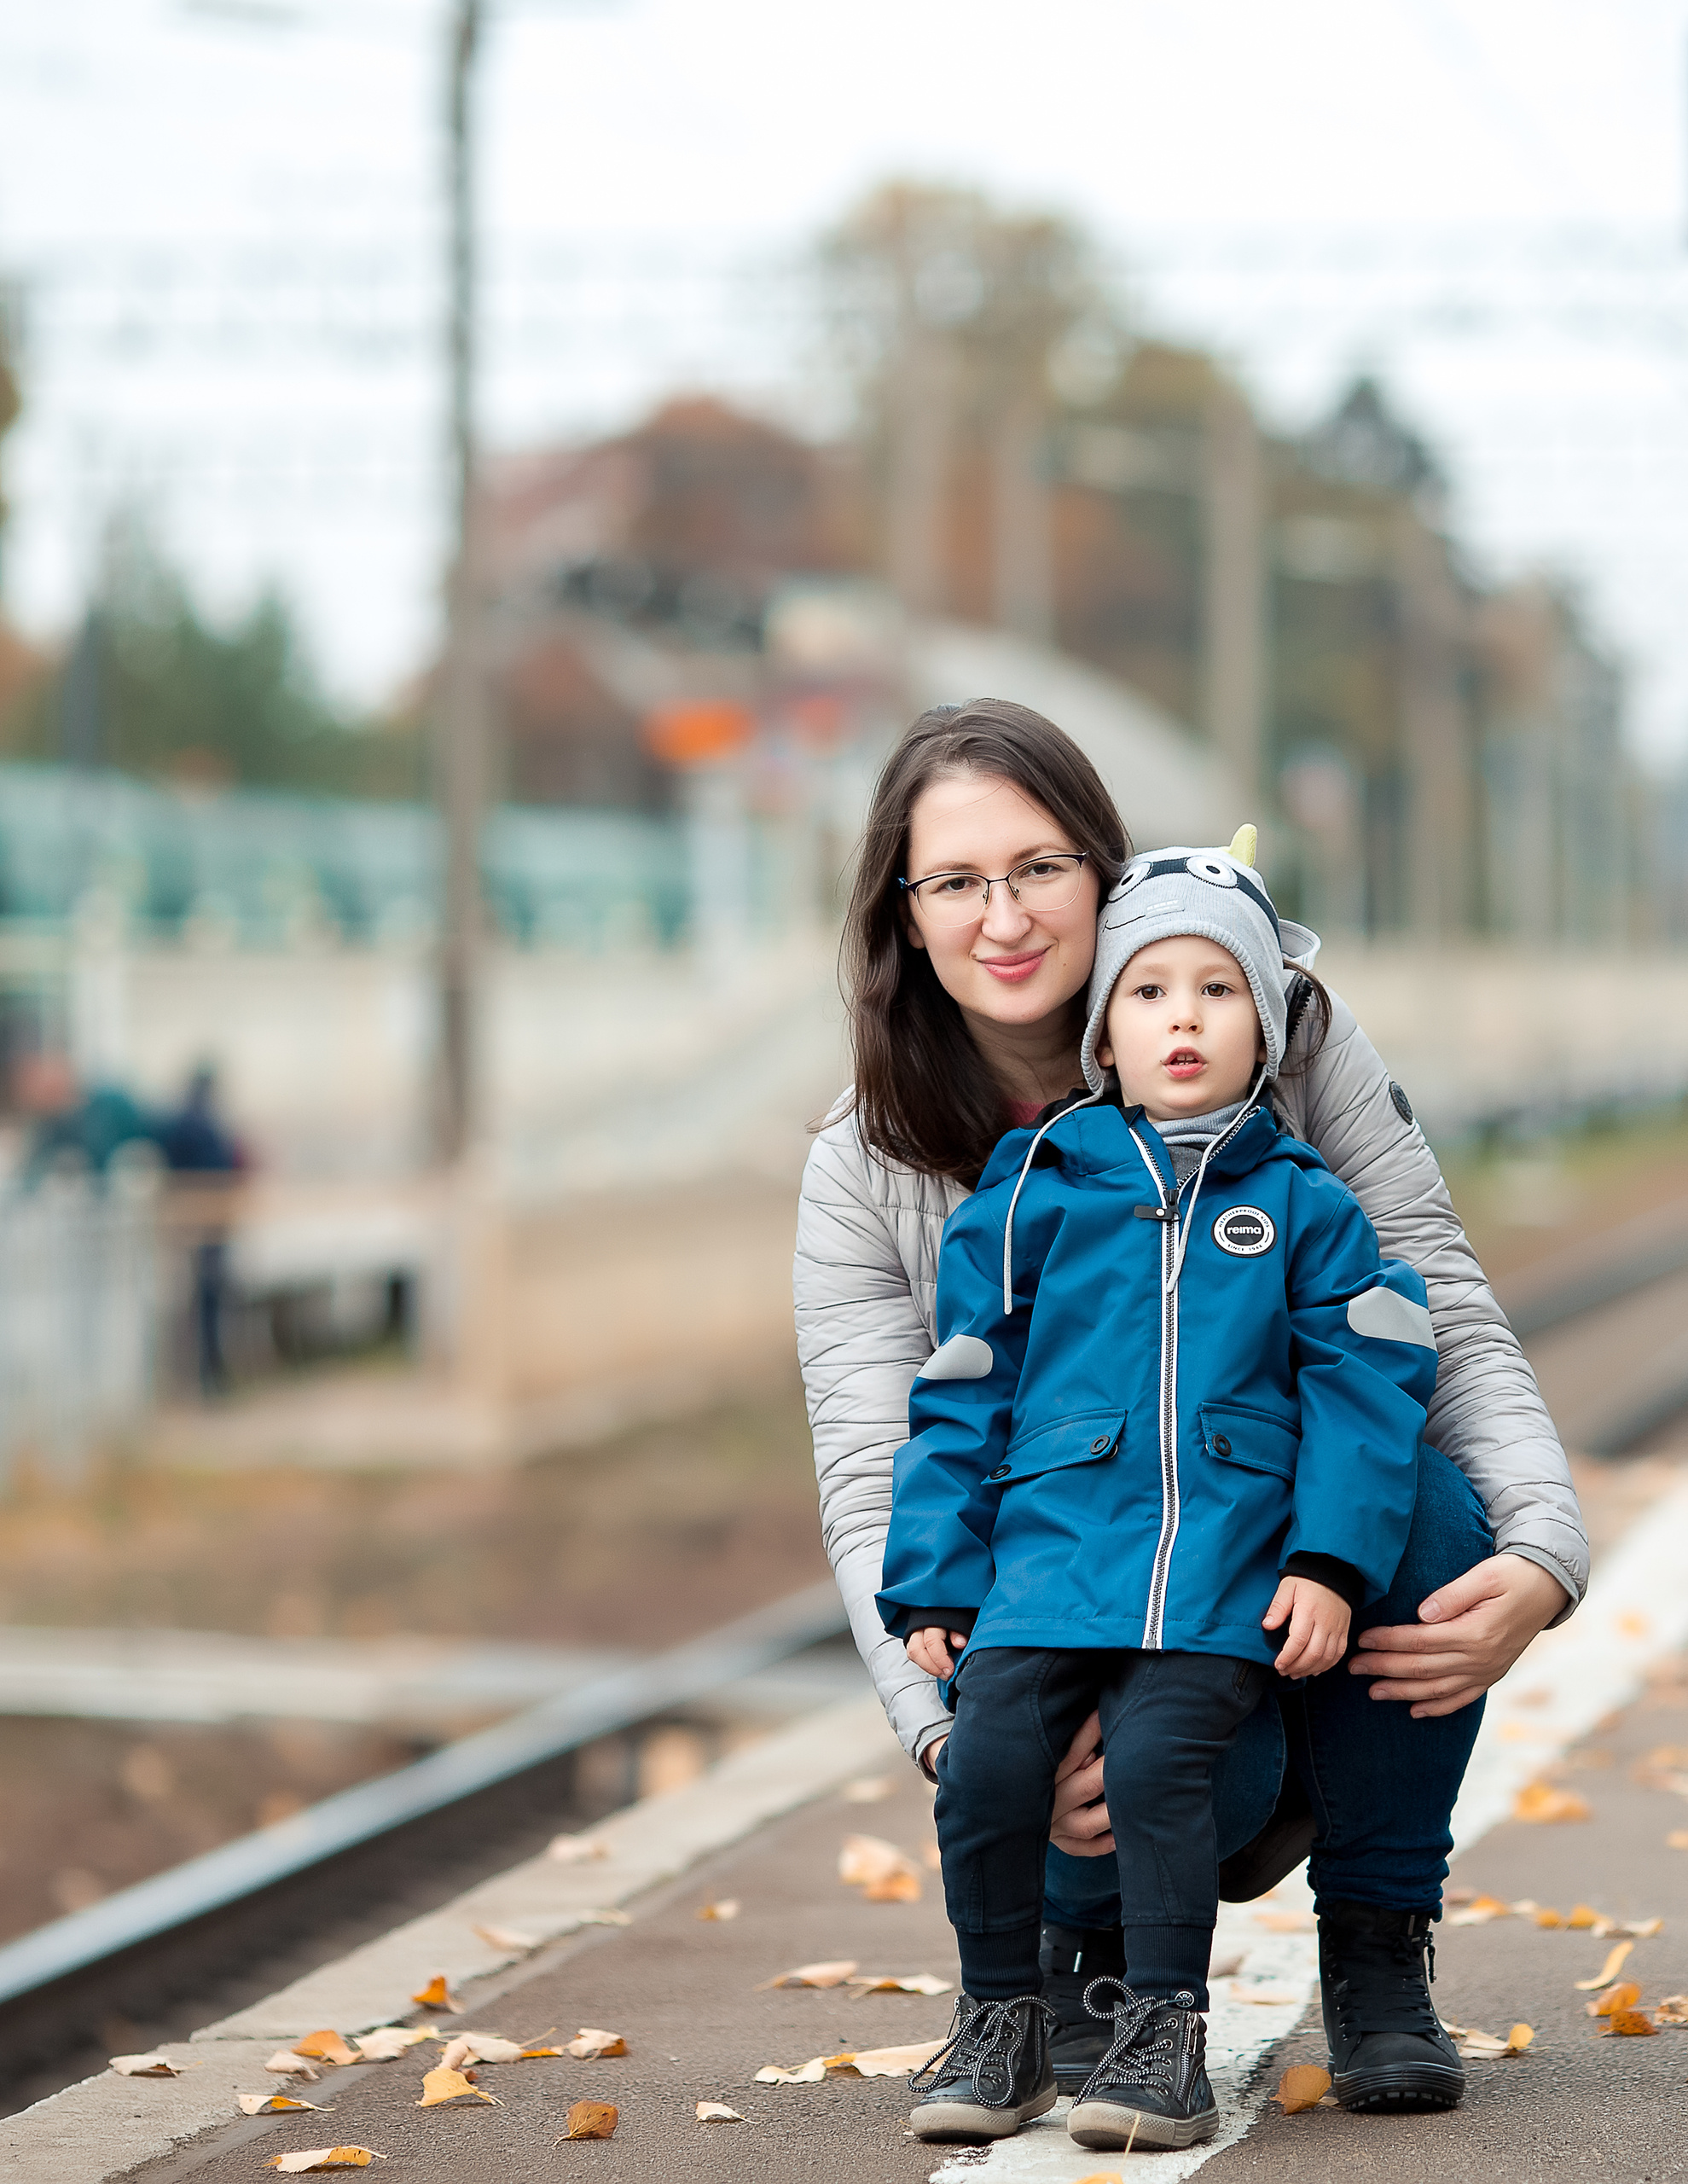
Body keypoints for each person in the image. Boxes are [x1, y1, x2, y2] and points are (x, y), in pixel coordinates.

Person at [794, 698, 1587, 2114]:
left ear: (1106, 878)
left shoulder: (1289, 1042)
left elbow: (1431, 1309)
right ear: (905, 917)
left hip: (1262, 1547)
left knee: (1423, 1506)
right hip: (1068, 1574)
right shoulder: (869, 1165)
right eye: (957, 882)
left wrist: (1541, 1557)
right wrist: (950, 1727)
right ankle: (1071, 1964)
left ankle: (1379, 1946)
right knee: (1033, 1746)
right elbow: (877, 1465)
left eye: (1039, 868)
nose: (1005, 915)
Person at [880, 830, 1440, 2148]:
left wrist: (1331, 1562)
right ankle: (1001, 2020)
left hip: (1220, 1568)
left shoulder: (1305, 1205)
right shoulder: (1036, 1194)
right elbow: (963, 1387)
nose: (1181, 1018)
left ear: (1265, 1027)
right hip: (1049, 1559)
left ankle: (1159, 2035)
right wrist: (935, 1574)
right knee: (993, 1770)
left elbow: (1368, 1389)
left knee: (1157, 1770)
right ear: (1105, 1036)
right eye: (1147, 992)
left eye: (1216, 991)